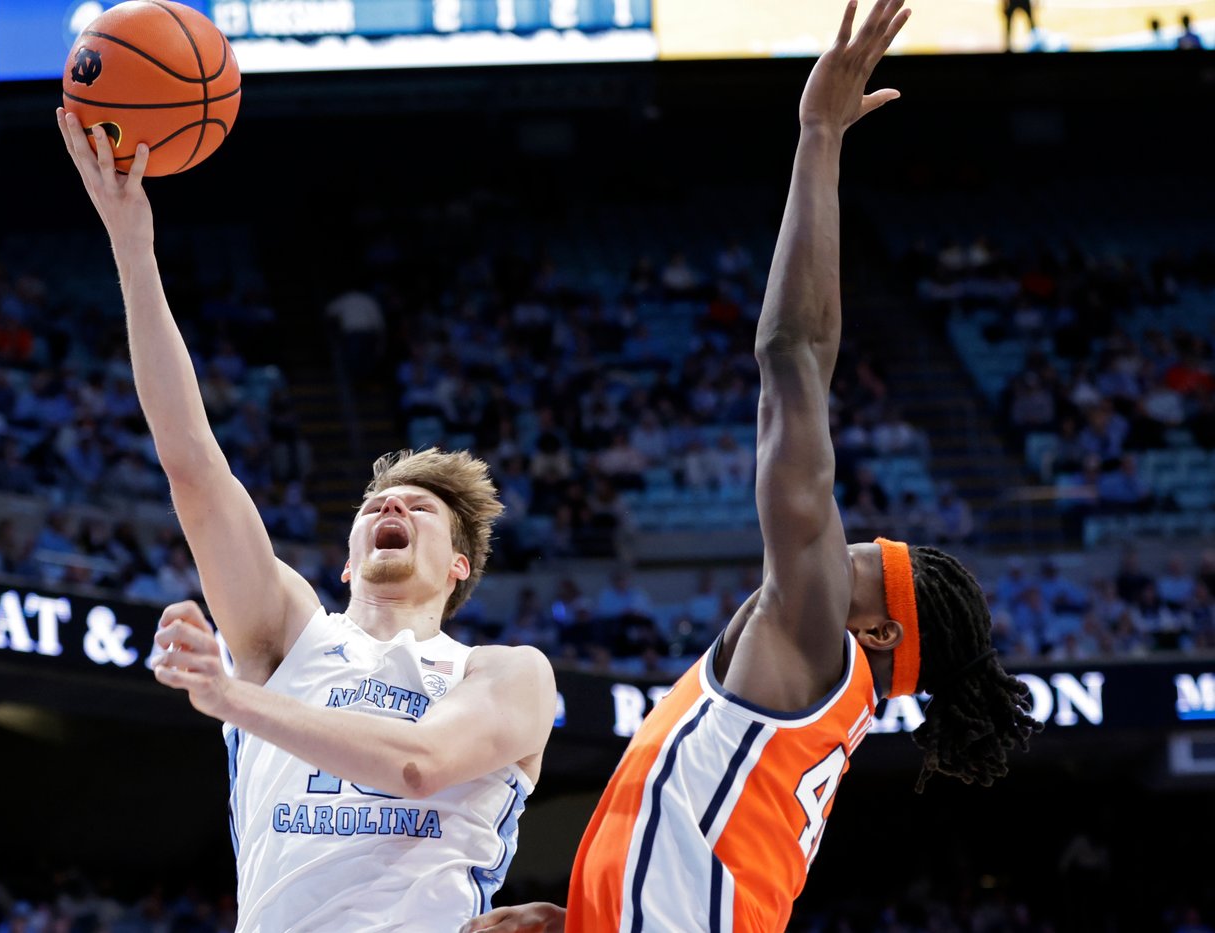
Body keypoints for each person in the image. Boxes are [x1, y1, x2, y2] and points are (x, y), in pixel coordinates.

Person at [464, 3, 1039, 931]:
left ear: (878, 630)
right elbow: (699, 845)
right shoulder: (804, 693)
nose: (841, 545)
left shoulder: (817, 641)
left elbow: (793, 354)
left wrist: (819, 137)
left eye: (863, 559)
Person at [55, 109, 557, 932]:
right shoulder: (287, 637)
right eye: (375, 505)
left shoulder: (503, 673)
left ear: (459, 564)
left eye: (420, 507)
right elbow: (194, 467)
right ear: (348, 561)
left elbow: (419, 764)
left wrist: (228, 697)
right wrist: (132, 245)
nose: (391, 506)